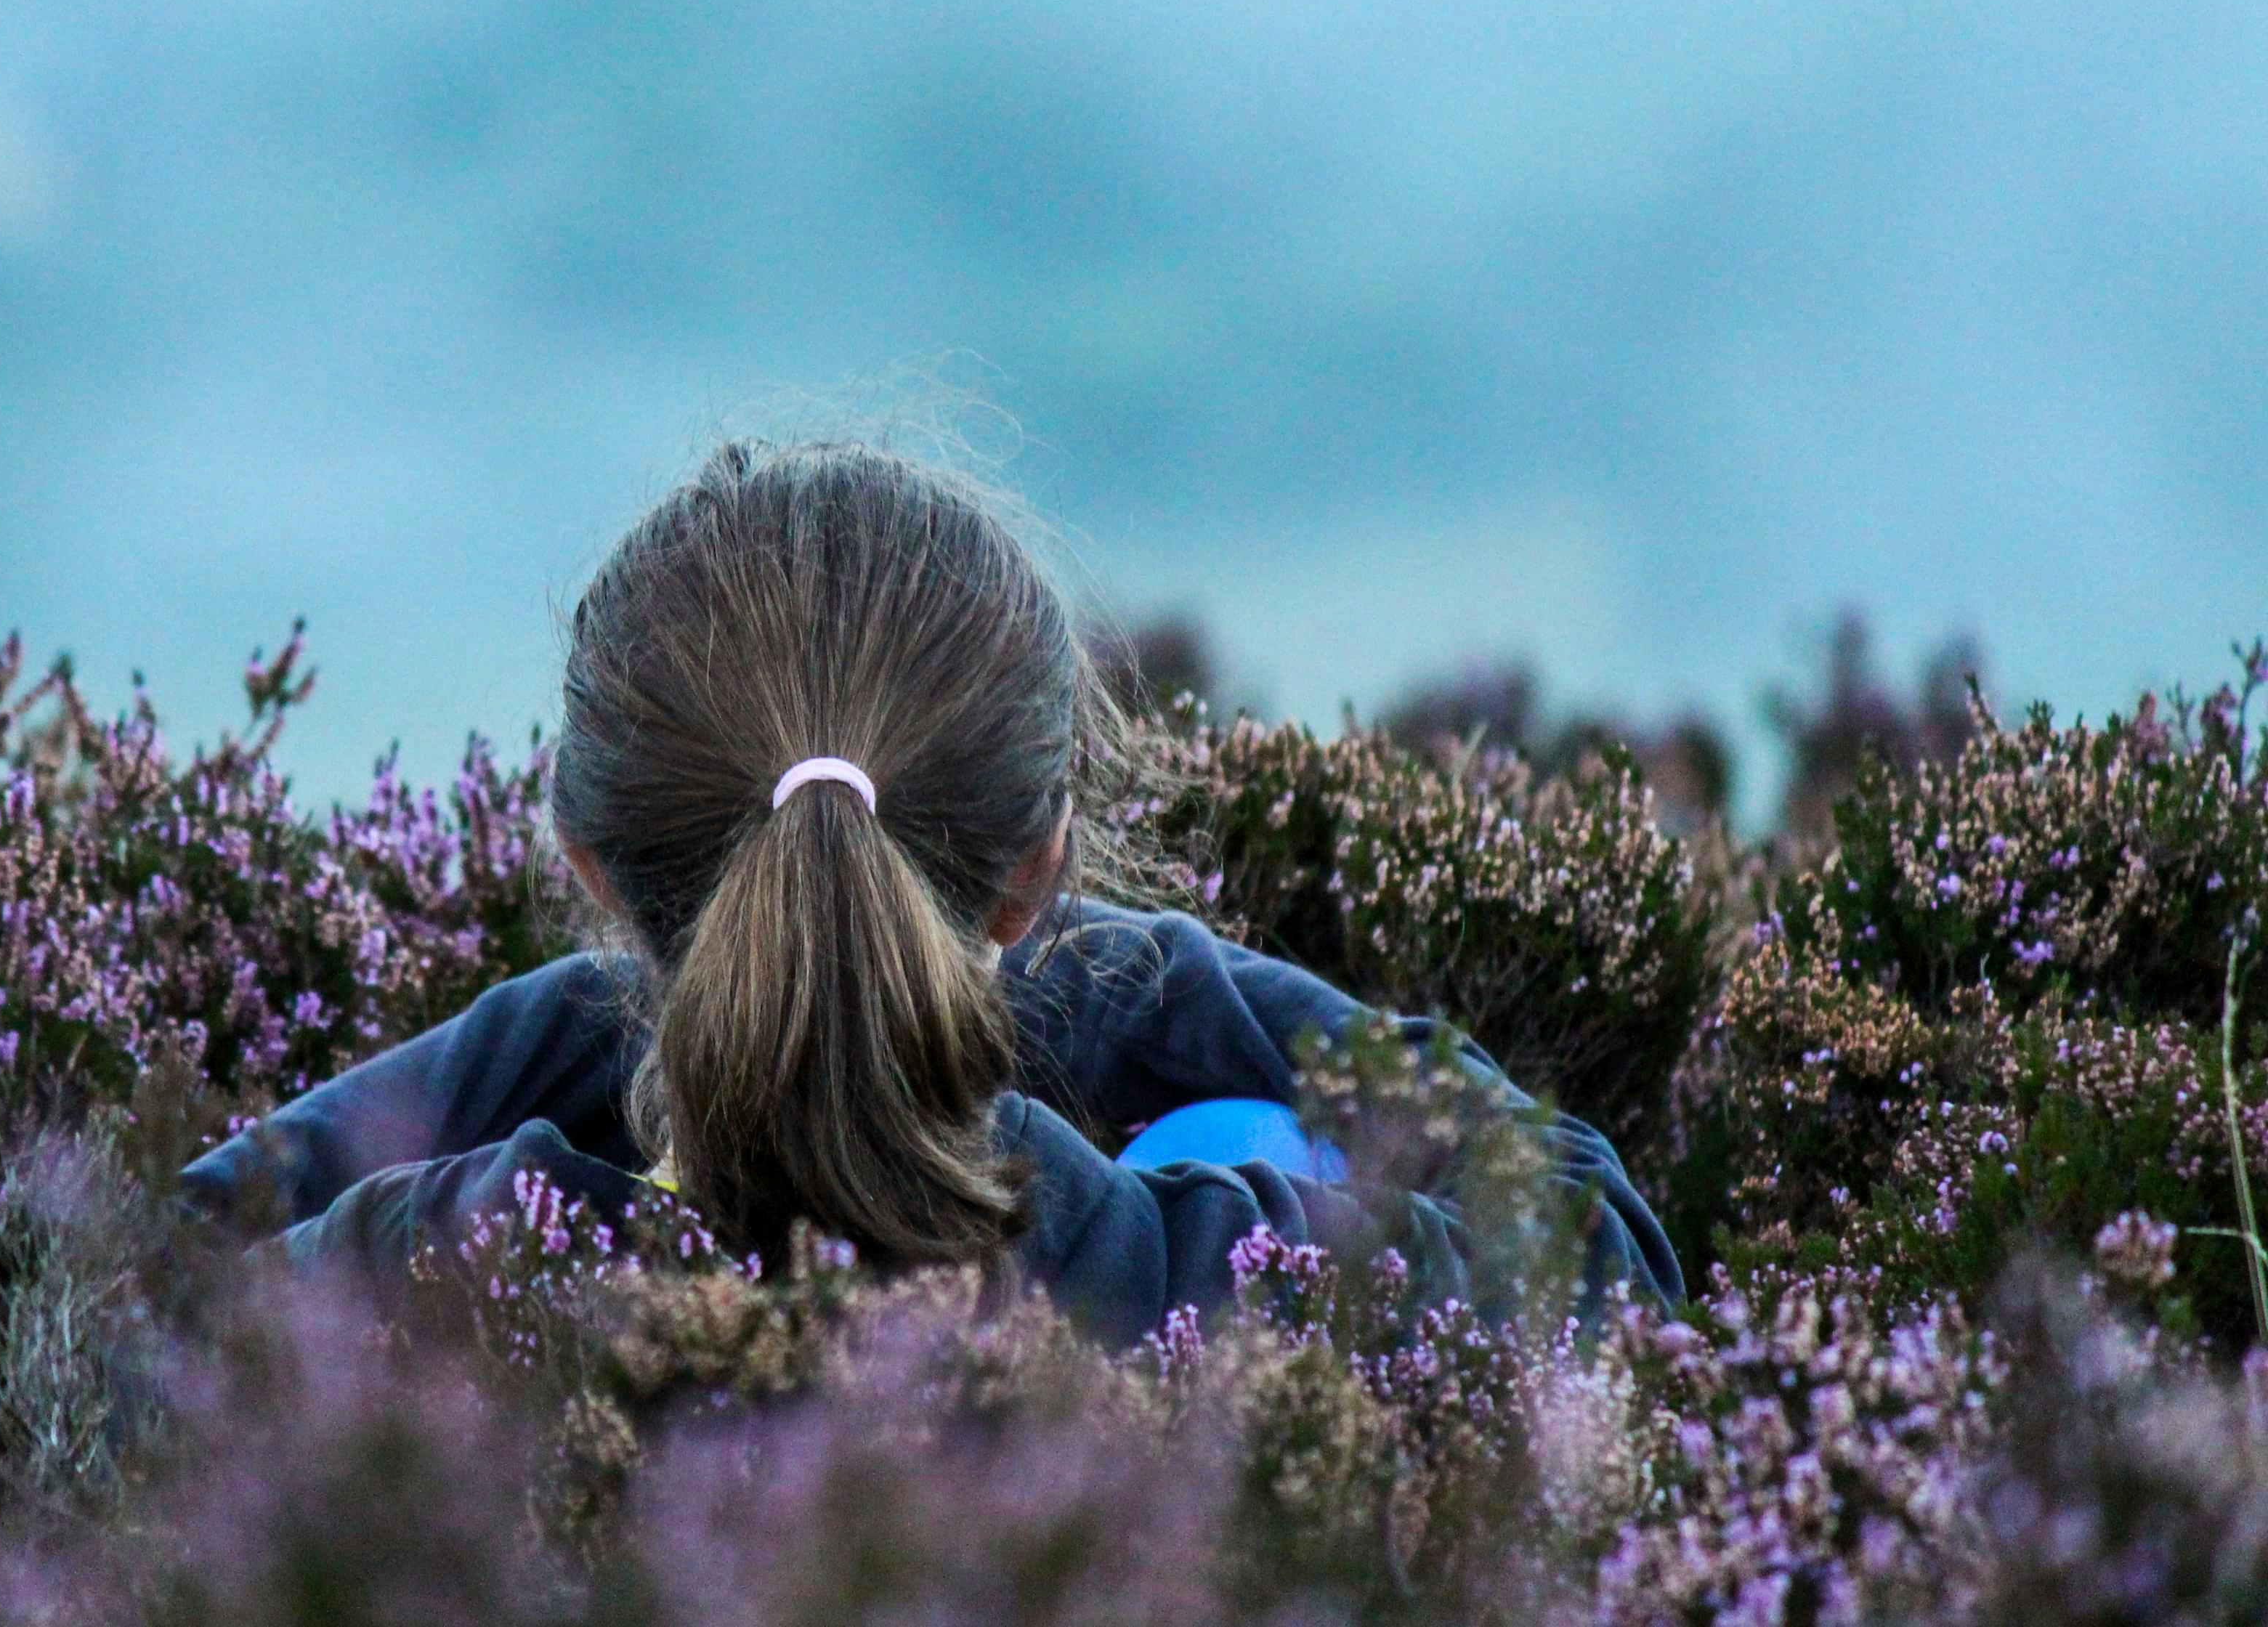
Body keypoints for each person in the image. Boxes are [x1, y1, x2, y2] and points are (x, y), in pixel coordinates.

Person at [177, 439, 1683, 1350]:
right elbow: (1589, 1247)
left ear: (589, 871)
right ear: (1033, 871)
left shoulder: (445, 1272)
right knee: (1242, 1133)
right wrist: (1118, 977)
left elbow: (134, 1311)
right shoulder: (1173, 1283)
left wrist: (632, 1022)